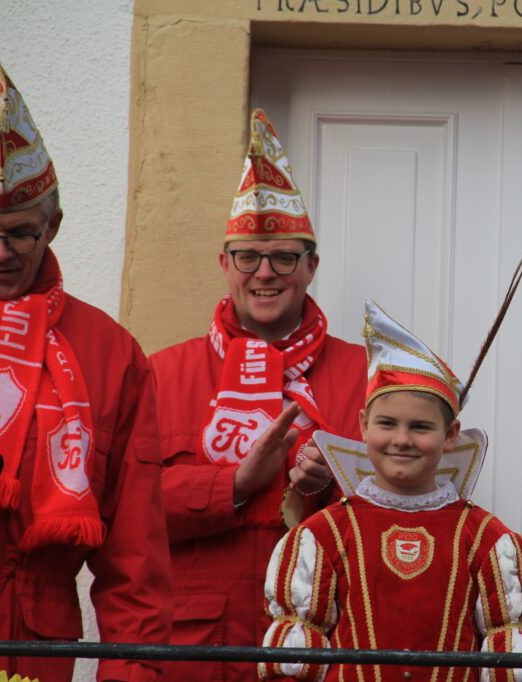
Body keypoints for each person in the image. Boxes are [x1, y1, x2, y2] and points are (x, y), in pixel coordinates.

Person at [150, 109, 367, 681]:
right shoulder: (162, 373)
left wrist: (336, 481)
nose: (265, 273)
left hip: (327, 639)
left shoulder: (367, 374)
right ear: (225, 265)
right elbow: (130, 512)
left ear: (311, 266)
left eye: (284, 257)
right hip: (199, 649)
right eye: (248, 257)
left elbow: (408, 505)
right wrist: (235, 485)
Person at [0, 57, 172, 680]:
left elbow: (135, 555)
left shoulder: (111, 353)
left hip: (36, 640)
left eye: (19, 234)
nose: (0, 254)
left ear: (53, 227)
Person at [258, 299, 522, 682]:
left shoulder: (486, 539)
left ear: (451, 435)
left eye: (421, 427)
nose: (402, 439)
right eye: (387, 423)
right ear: (363, 425)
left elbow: (508, 661)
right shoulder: (322, 534)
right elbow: (294, 662)